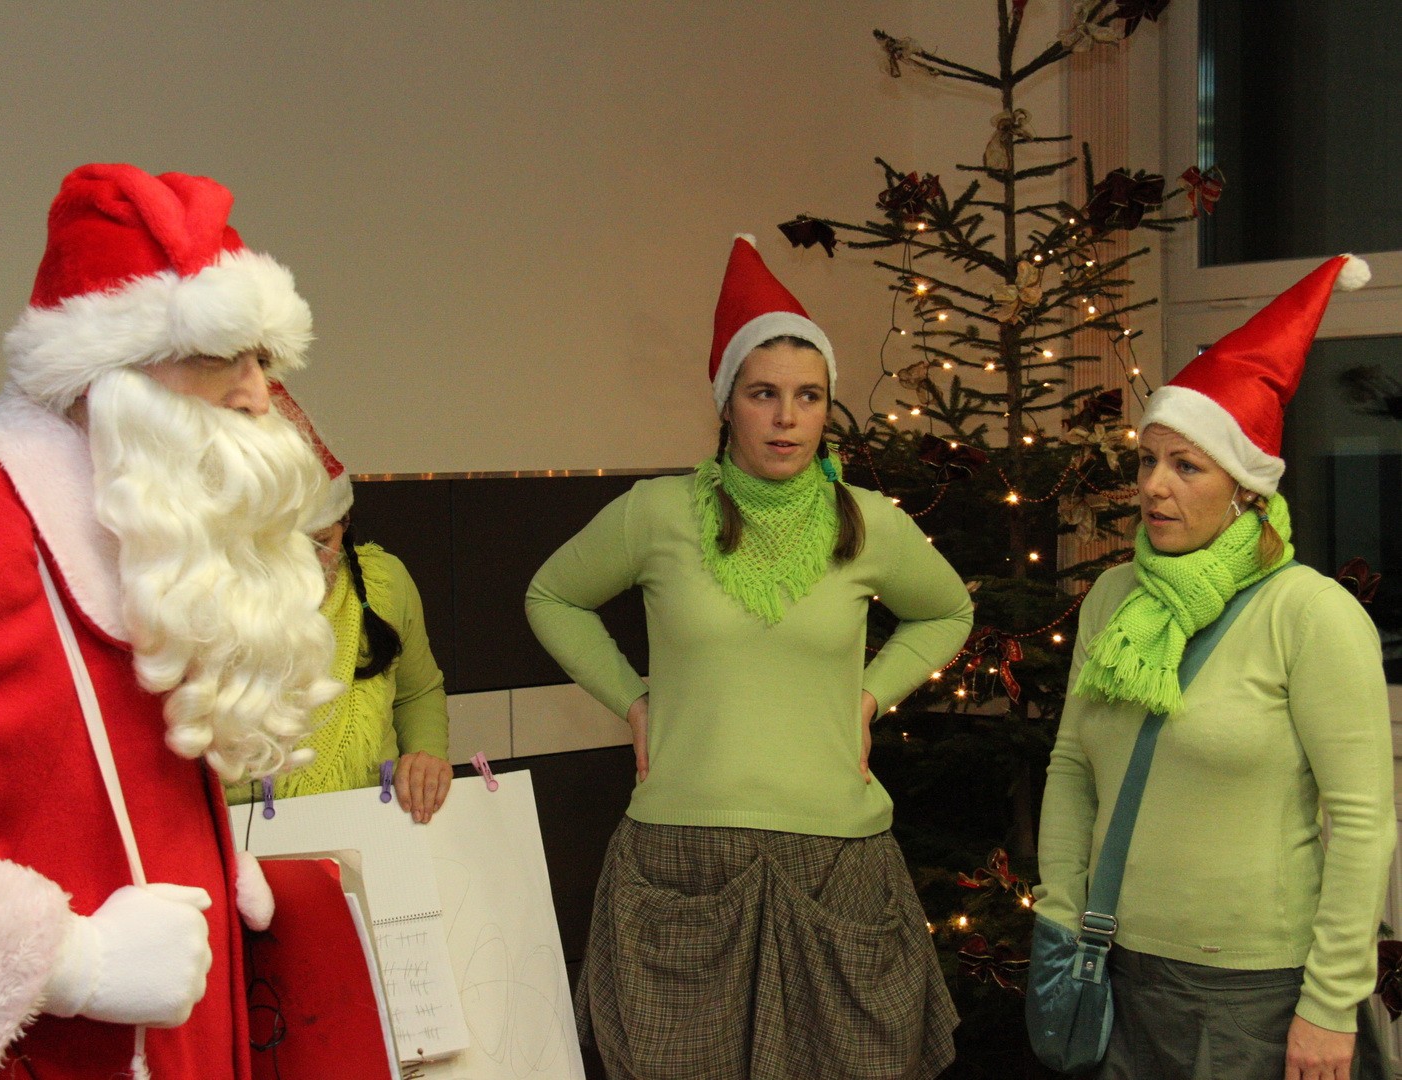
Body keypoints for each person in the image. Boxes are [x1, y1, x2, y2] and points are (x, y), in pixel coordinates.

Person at [0, 163, 340, 1079]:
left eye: (264, 361)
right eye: (217, 355)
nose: (255, 396)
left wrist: (202, 861)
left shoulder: (137, 543)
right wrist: (68, 959)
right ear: (100, 376)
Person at [526, 235, 974, 1080]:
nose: (786, 417)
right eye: (764, 393)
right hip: (682, 861)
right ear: (727, 404)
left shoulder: (870, 522)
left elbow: (949, 610)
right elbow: (552, 596)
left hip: (837, 862)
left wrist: (870, 696)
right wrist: (634, 702)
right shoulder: (656, 513)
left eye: (809, 396)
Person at [1034, 254, 1396, 1080]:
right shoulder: (1113, 598)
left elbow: (1363, 823)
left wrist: (1329, 1004)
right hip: (1113, 968)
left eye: (1186, 466)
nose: (1154, 487)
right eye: (1147, 460)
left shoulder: (1308, 614)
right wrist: (1061, 914)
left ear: (1247, 491)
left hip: (1254, 995)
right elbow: (1072, 765)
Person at [227, 384, 453, 823]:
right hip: (252, 830)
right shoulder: (208, 600)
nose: (306, 564)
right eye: (283, 546)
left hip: (375, 818)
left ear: (344, 523)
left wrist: (426, 754)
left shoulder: (385, 582)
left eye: (321, 542)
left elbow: (418, 691)